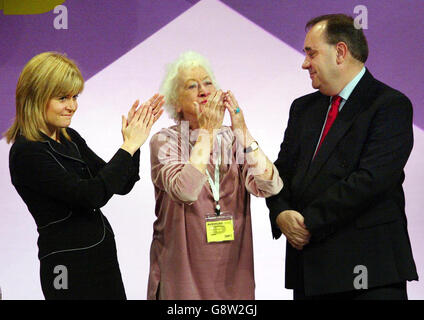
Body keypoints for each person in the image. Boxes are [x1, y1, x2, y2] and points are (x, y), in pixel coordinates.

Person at [266, 14, 418, 300]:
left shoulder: (390, 106)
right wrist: (280, 213)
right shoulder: (302, 108)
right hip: (310, 273)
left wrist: (306, 222)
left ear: (340, 52)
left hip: (369, 276)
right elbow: (281, 172)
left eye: (311, 53)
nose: (304, 63)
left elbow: (369, 180)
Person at [5, 52, 164, 300]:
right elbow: (91, 195)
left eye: (74, 97)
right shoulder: (27, 151)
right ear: (35, 97)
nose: (72, 106)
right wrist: (128, 147)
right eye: (62, 98)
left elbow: (121, 185)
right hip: (68, 267)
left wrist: (133, 144)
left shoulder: (69, 137)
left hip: (100, 256)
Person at [147, 51, 283, 300]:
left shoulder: (232, 139)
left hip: (233, 274)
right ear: (176, 102)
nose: (203, 90)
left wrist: (242, 131)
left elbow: (270, 186)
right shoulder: (165, 141)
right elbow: (185, 190)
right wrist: (208, 131)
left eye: (208, 82)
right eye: (192, 86)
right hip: (183, 277)